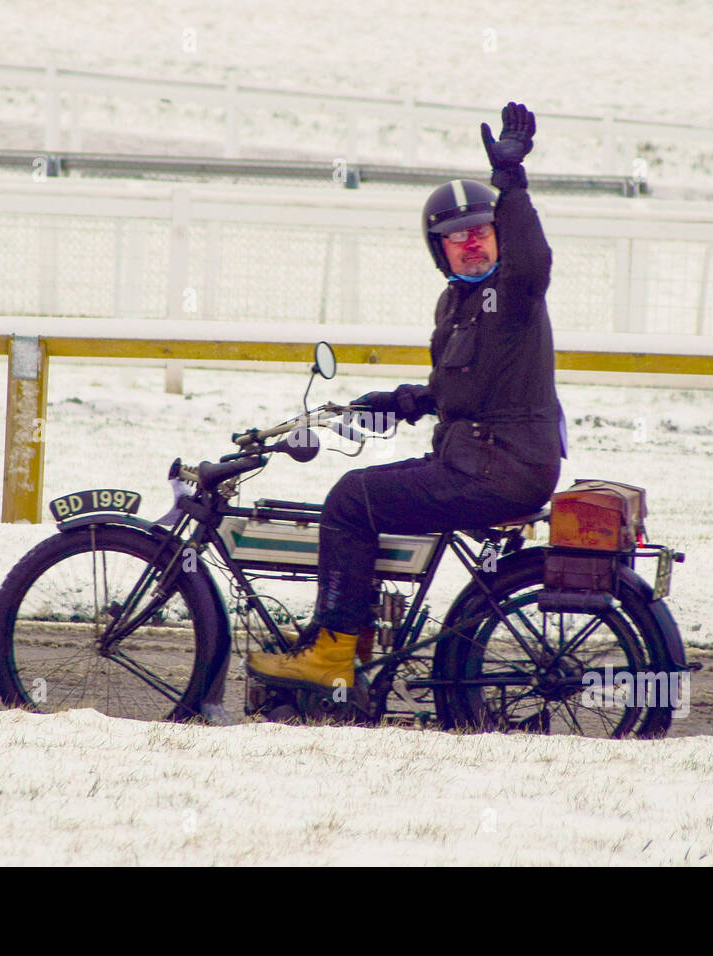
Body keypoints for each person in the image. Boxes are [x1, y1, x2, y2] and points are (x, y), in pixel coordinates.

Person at [247, 101, 567, 694]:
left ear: (498, 236)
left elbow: (535, 262)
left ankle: (332, 655)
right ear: (437, 249)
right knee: (372, 496)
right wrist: (394, 403)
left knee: (350, 500)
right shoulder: (456, 305)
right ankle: (355, 637)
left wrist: (512, 183)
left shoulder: (513, 295)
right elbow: (458, 390)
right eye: (455, 238)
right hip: (478, 457)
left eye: (480, 232)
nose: (470, 244)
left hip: (500, 467)